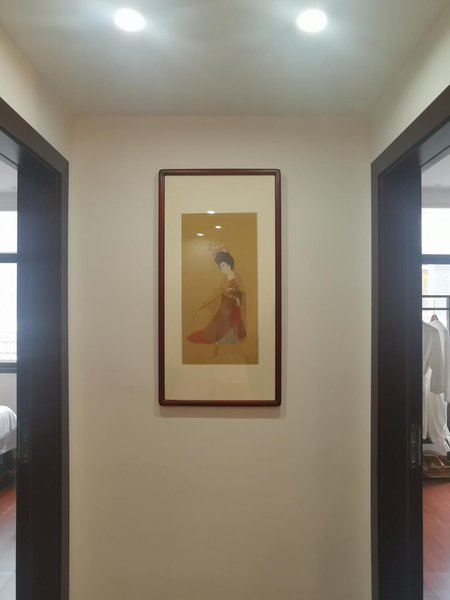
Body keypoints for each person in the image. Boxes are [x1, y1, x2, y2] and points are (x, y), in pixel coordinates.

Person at [187, 249, 246, 345]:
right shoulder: (224, 279)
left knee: (230, 316)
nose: (222, 268)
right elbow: (223, 291)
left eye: (223, 265)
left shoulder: (237, 276)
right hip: (227, 302)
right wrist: (227, 292)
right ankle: (219, 336)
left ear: (229, 264)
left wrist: (235, 297)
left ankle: (232, 337)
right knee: (222, 315)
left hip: (236, 302)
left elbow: (241, 290)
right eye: (220, 266)